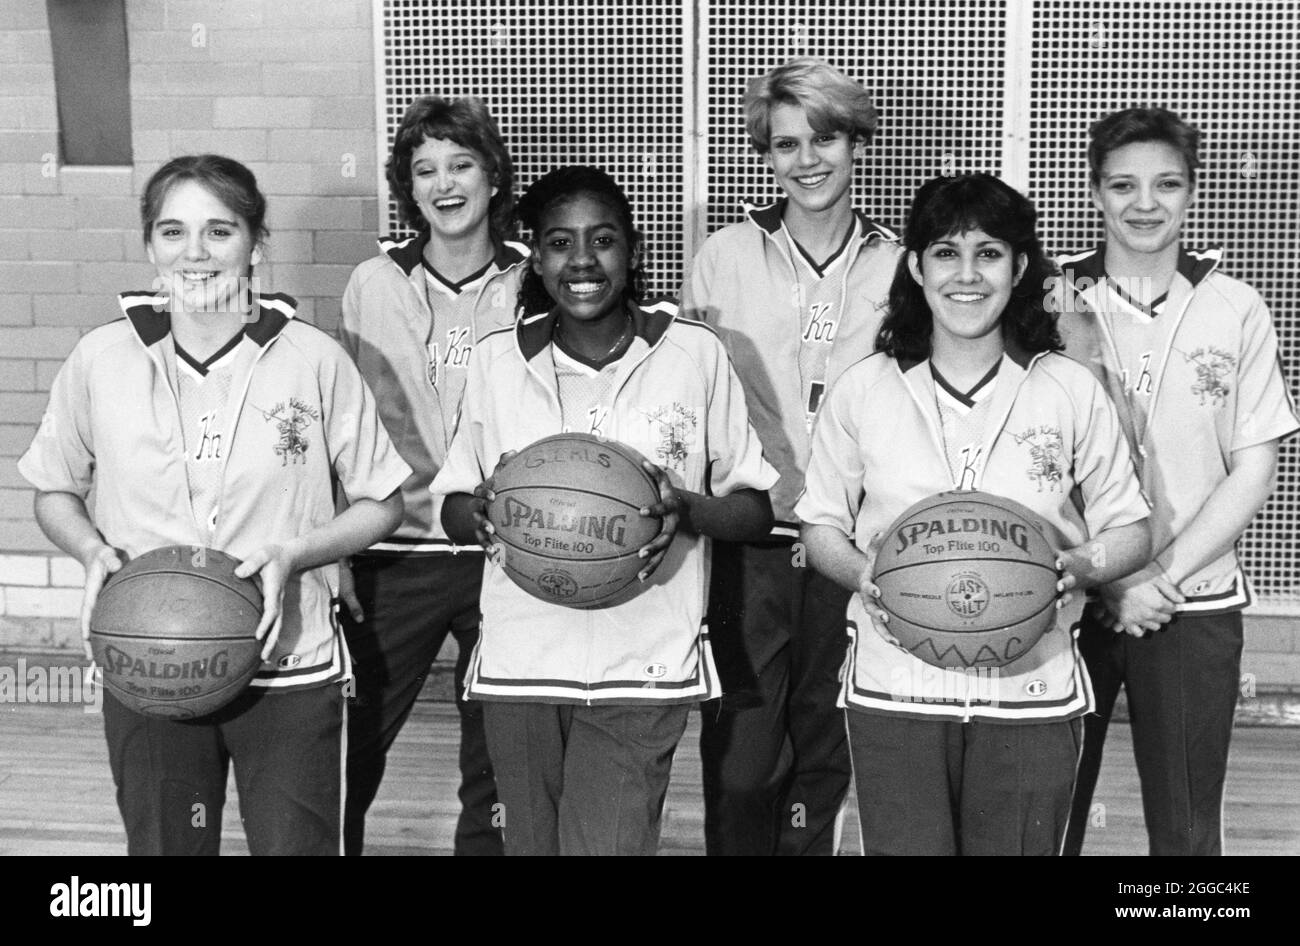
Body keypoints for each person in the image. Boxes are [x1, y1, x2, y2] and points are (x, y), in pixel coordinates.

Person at [19, 154, 408, 855]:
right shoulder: (99, 358)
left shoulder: (314, 359)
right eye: (173, 232)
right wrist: (90, 550)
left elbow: (383, 501)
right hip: (149, 661)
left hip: (289, 664)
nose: (194, 253)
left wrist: (298, 551)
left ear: (257, 244)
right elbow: (53, 489)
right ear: (149, 246)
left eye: (219, 231)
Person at [796, 173, 1152, 855]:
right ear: (915, 266)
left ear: (1019, 268)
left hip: (1031, 689)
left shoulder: (1070, 388)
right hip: (896, 688)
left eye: (988, 254)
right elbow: (820, 529)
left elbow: (1131, 529)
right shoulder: (863, 389)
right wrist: (863, 572)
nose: (967, 275)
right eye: (946, 253)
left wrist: (1079, 564)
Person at [433, 166, 777, 856]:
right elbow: (452, 502)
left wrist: (686, 510)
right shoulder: (499, 360)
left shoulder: (695, 353)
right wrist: (483, 515)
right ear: (539, 258)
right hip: (521, 657)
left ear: (635, 249)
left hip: (643, 655)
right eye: (560, 243)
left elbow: (755, 510)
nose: (582, 261)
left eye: (603, 240)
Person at [1057, 108, 1299, 856]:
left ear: (1192, 193)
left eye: (1166, 184)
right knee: (1046, 819)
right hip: (1067, 597)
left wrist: (1160, 572)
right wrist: (1109, 577)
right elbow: (1024, 459)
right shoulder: (1049, 301)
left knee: (1188, 831)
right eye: (1123, 184)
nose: (1144, 203)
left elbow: (1254, 461)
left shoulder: (1236, 306)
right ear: (1095, 192)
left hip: (1192, 598)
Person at [679, 57, 901, 855]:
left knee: (822, 749)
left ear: (857, 144)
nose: (807, 160)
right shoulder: (723, 257)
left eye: (825, 138)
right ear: (764, 155)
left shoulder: (901, 264)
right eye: (785, 144)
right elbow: (693, 395)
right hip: (755, 540)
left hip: (849, 544)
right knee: (742, 764)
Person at [337, 95, 526, 856]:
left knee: (498, 760)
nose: (444, 183)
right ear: (407, 189)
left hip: (504, 554)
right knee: (351, 741)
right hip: (396, 550)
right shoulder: (370, 285)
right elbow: (338, 428)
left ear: (491, 177)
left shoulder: (532, 281)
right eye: (425, 170)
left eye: (460, 164)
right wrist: (336, 553)